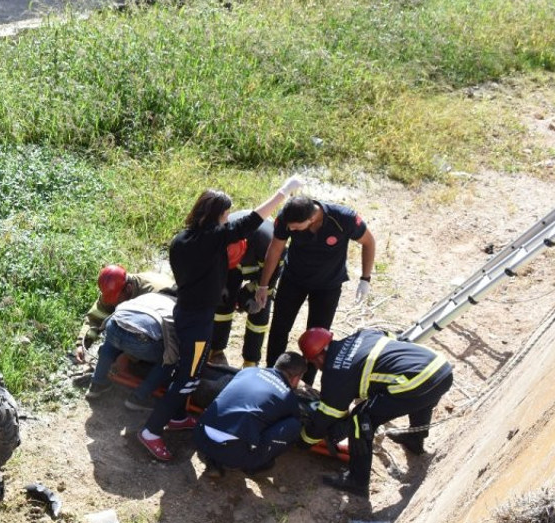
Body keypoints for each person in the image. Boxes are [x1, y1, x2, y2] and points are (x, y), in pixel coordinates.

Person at [138, 176, 303, 462]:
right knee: (188, 378)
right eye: (226, 215)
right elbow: (252, 220)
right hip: (198, 320)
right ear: (215, 215)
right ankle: (151, 431)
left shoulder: (181, 239)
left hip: (185, 310)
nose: (228, 220)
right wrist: (283, 192)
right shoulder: (212, 240)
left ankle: (177, 417)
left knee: (186, 367)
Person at [297, 327, 454, 496]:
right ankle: (415, 439)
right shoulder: (363, 334)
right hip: (440, 367)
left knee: (360, 418)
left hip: (419, 382)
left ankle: (357, 481)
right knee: (419, 394)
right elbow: (398, 338)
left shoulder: (335, 374)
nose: (316, 367)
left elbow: (328, 415)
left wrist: (305, 440)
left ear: (318, 357)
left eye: (313, 363)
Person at [254, 195, 376, 385]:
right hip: (293, 279)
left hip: (328, 286)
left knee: (317, 340)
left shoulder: (344, 218)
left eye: (296, 227)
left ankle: (306, 382)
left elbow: (369, 242)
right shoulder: (287, 217)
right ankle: (273, 373)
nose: (291, 230)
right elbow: (275, 249)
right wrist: (263, 285)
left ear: (312, 218)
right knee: (279, 328)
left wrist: (365, 279)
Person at [193, 352, 309, 478]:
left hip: (200, 436)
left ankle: (213, 460)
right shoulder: (288, 397)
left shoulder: (248, 371)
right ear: (296, 378)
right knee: (293, 425)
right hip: (232, 453)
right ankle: (255, 465)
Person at [75, 266, 174, 395]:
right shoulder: (114, 289)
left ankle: (141, 395)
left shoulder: (156, 292)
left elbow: (169, 331)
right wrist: (82, 344)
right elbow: (96, 317)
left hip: (158, 326)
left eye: (117, 301)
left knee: (170, 355)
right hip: (136, 329)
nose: (114, 304)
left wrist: (128, 356)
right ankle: (102, 384)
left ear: (129, 288)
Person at [85, 290, 179, 409]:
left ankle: (97, 383)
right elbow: (173, 343)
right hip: (141, 339)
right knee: (169, 360)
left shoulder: (150, 295)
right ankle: (138, 398)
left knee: (111, 343)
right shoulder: (176, 307)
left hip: (114, 324)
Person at [210, 212, 280, 368]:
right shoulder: (216, 237)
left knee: (259, 310)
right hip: (229, 269)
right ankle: (216, 349)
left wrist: (251, 291)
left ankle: (251, 359)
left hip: (262, 271)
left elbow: (271, 277)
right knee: (222, 304)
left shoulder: (268, 243)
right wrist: (220, 286)